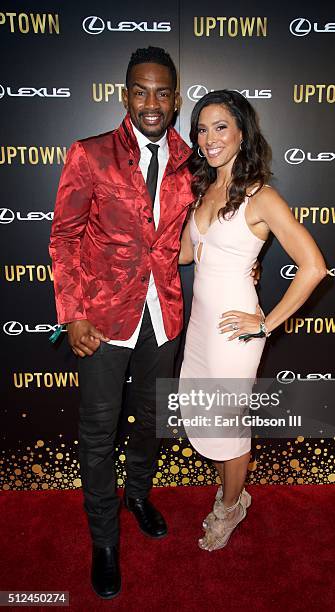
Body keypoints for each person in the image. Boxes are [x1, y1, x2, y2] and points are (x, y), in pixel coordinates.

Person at [49, 47, 193, 599]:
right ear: (124, 94)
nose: (151, 102)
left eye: (162, 93)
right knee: (98, 432)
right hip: (104, 319)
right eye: (141, 91)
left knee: (153, 416)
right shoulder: (90, 155)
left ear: (176, 100)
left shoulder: (190, 159)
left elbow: (193, 233)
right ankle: (104, 541)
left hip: (164, 312)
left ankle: (137, 494)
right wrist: (73, 314)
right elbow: (62, 238)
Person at [178, 90, 327, 551]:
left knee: (228, 426)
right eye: (202, 129)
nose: (209, 137)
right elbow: (184, 253)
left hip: (232, 334)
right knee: (207, 417)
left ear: (242, 132)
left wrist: (266, 324)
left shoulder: (261, 195)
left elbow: (314, 266)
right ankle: (233, 492)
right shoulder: (205, 189)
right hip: (202, 328)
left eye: (220, 126)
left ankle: (230, 504)